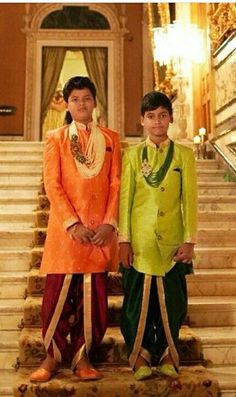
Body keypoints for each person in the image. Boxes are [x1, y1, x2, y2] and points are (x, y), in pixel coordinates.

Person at [30, 76, 121, 382]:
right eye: (75, 99)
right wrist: (72, 224)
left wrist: (109, 222)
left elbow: (116, 183)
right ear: (67, 104)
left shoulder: (111, 139)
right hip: (66, 233)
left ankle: (83, 358)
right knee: (56, 297)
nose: (81, 104)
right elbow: (52, 185)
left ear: (95, 101)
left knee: (93, 299)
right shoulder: (55, 138)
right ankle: (52, 357)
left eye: (86, 98)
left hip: (99, 233)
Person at [118, 91, 197, 381]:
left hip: (172, 243)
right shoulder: (131, 156)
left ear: (171, 119)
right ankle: (138, 355)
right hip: (139, 243)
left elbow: (189, 200)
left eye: (163, 115)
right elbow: (125, 199)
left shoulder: (184, 156)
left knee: (173, 303)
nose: (157, 121)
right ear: (141, 120)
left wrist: (189, 239)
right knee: (136, 304)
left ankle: (166, 354)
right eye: (150, 116)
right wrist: (123, 239)